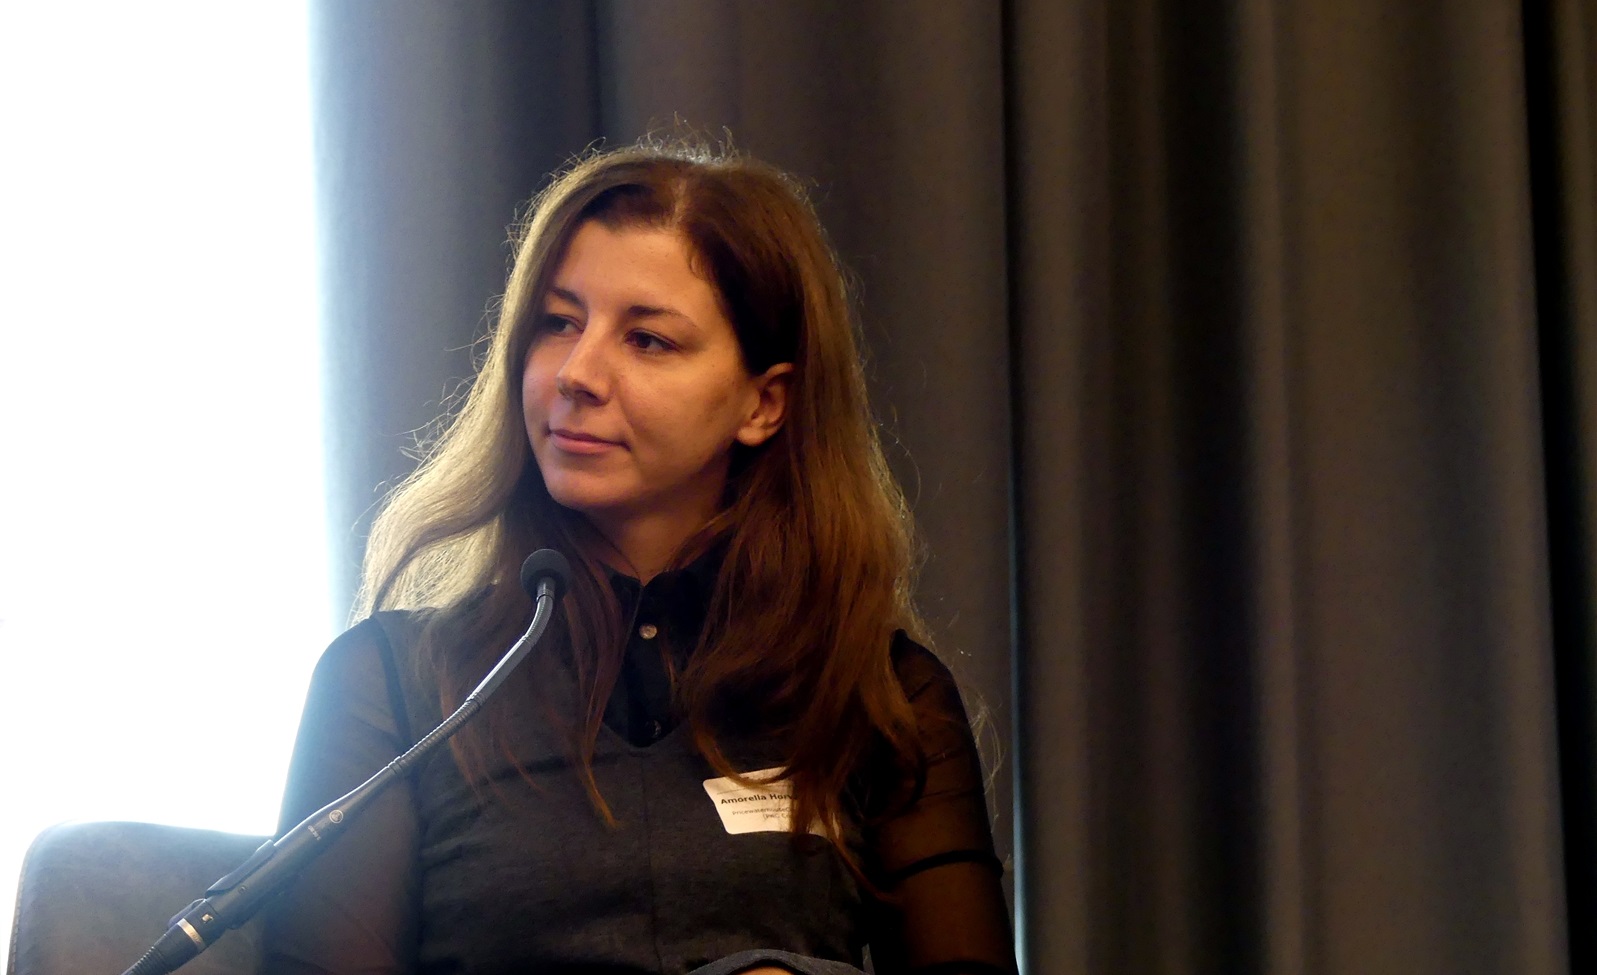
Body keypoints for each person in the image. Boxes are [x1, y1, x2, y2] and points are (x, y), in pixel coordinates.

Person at [264, 141, 1016, 975]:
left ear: (763, 403)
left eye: (648, 340)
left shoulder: (880, 692)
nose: (577, 372)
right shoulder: (393, 687)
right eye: (558, 322)